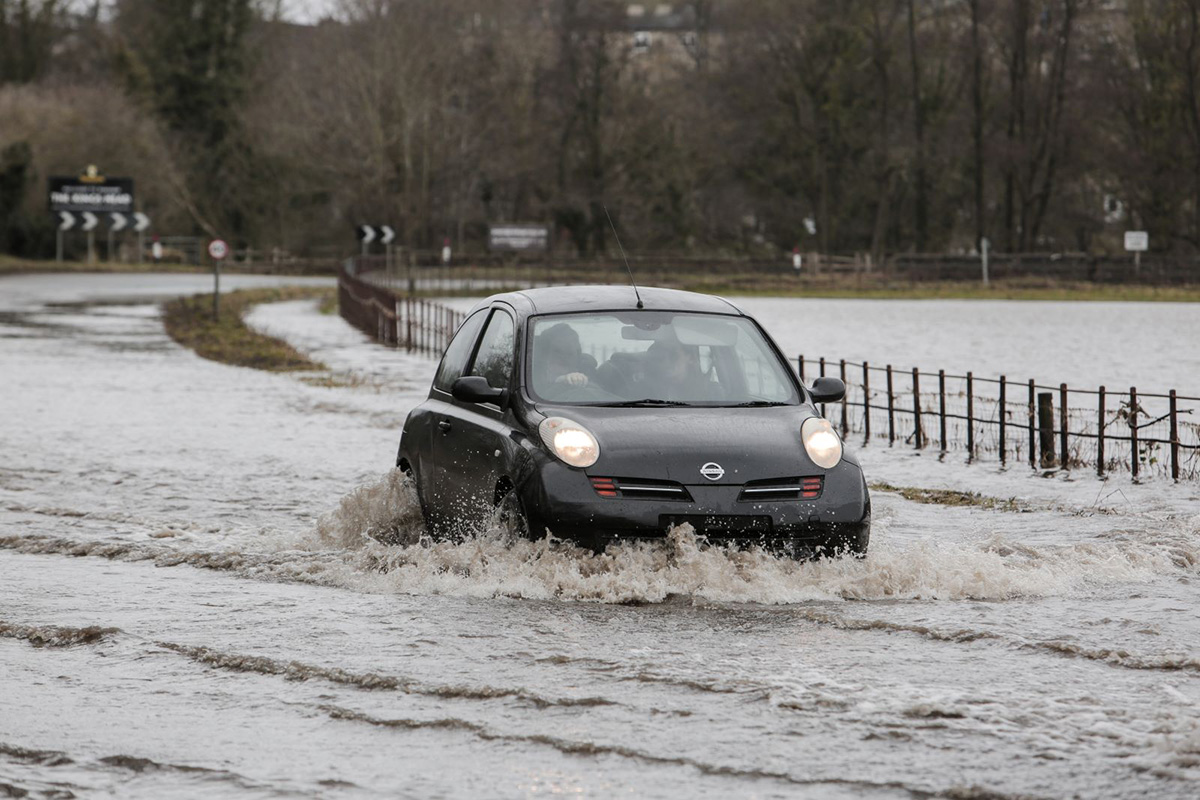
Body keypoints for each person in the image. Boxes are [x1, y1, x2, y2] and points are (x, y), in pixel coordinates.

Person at [534, 323, 594, 392]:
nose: (564, 357)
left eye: (569, 353)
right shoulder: (529, 376)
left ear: (577, 356)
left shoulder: (588, 371)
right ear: (545, 354)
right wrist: (558, 382)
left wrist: (580, 381)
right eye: (557, 351)